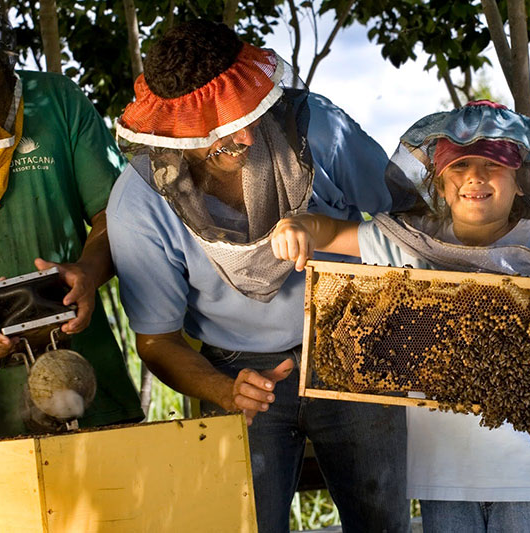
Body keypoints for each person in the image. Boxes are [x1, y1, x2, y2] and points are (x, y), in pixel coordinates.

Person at [106, 19, 408, 532]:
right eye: (219, 126)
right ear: (174, 130)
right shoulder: (138, 203)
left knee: (382, 521)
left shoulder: (318, 129)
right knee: (247, 524)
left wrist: (330, 232)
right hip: (232, 368)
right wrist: (227, 392)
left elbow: (405, 222)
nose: (243, 134)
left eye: (248, 111)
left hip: (356, 342)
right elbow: (156, 341)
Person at [272, 100, 530, 532]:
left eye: (493, 165)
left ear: (521, 181)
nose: (475, 178)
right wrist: (299, 226)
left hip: (529, 476)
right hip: (442, 477)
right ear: (440, 184)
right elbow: (330, 232)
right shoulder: (410, 244)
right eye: (459, 168)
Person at [0, 0, 143, 437]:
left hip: (79, 368)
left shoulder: (55, 100)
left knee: (114, 502)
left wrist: (87, 271)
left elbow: (116, 214)